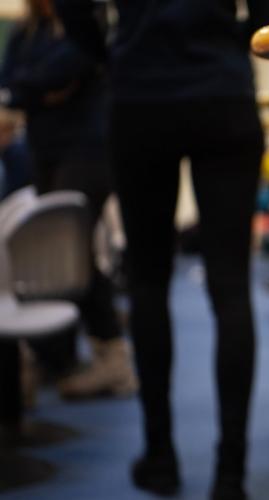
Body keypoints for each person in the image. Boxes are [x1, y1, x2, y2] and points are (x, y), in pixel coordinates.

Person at [55, 1, 269, 498]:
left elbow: (72, 8)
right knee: (230, 289)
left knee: (148, 282)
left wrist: (113, 52)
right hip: (223, 94)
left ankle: (160, 459)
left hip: (141, 94)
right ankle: (230, 476)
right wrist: (222, 42)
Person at [0, 0, 137, 398]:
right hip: (44, 151)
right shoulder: (28, 31)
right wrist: (40, 89)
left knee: (70, 254)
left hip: (88, 151)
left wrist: (29, 90)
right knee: (50, 256)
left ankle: (113, 360)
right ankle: (55, 357)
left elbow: (64, 69)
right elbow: (14, 83)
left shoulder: (87, 20)